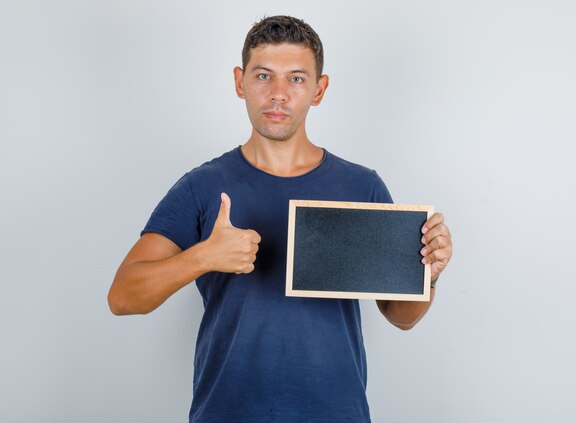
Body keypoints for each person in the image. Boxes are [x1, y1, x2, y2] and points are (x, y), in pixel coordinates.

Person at [108, 15, 452, 423]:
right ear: (240, 82)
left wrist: (428, 272)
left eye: (296, 79)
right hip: (227, 413)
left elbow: (400, 316)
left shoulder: (362, 186)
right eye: (263, 76)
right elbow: (123, 297)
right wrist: (203, 256)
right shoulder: (203, 186)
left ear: (319, 90)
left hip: (336, 413)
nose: (278, 95)